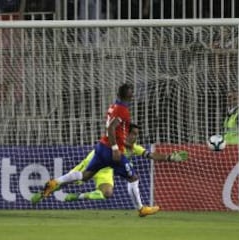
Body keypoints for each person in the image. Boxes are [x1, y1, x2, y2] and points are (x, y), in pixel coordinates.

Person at [41, 83, 160, 217]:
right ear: (128, 95)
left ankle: (55, 182)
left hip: (101, 147)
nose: (133, 95)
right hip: (112, 150)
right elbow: (111, 128)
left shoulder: (113, 106)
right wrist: (115, 149)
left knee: (85, 175)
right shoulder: (122, 110)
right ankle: (141, 209)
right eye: (131, 92)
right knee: (133, 178)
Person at [31, 123, 188, 204]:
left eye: (136, 135)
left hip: (106, 171)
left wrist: (169, 157)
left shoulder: (133, 147)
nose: (134, 138)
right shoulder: (114, 139)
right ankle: (43, 194)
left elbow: (150, 154)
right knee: (69, 182)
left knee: (108, 194)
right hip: (94, 161)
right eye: (132, 134)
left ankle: (77, 197)